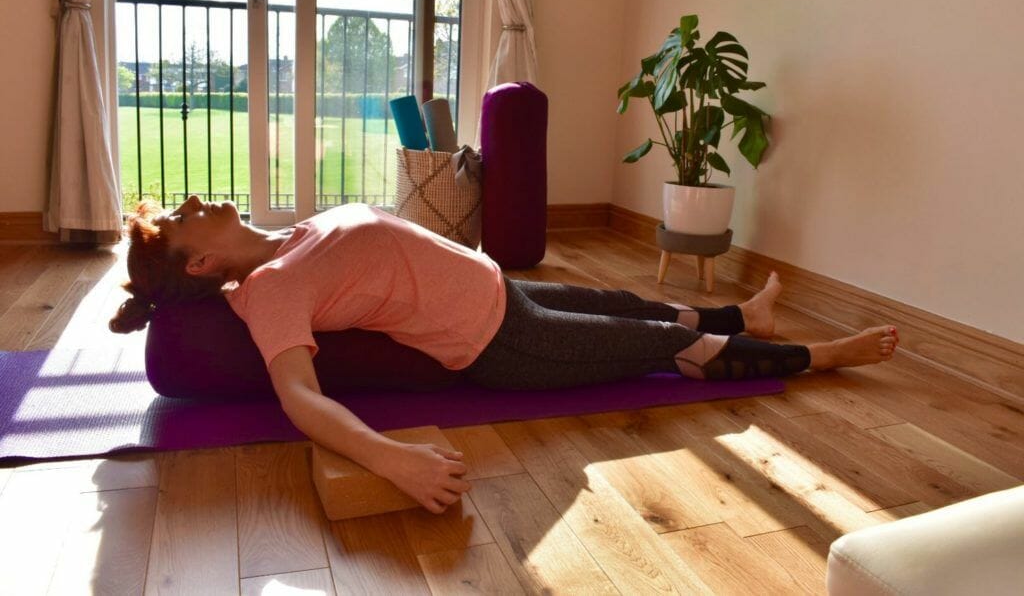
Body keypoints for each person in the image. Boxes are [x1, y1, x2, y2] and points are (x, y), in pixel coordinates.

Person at [110, 196, 899, 513]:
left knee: (629, 302)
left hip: (503, 292)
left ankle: (742, 313)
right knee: (664, 344)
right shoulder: (273, 287)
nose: (198, 200)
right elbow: (300, 397)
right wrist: (390, 459)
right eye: (186, 219)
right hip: (502, 341)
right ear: (201, 266)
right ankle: (818, 356)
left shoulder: (293, 232)